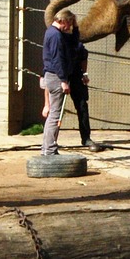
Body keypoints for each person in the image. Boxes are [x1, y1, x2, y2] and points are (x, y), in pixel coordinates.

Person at [40, 9, 81, 156]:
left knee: (53, 114)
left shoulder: (54, 33)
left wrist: (76, 27)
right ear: (63, 20)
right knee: (55, 115)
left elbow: (74, 43)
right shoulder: (56, 36)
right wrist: (63, 81)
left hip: (53, 76)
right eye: (69, 23)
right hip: (56, 77)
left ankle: (47, 148)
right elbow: (57, 60)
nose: (69, 27)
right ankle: (50, 150)